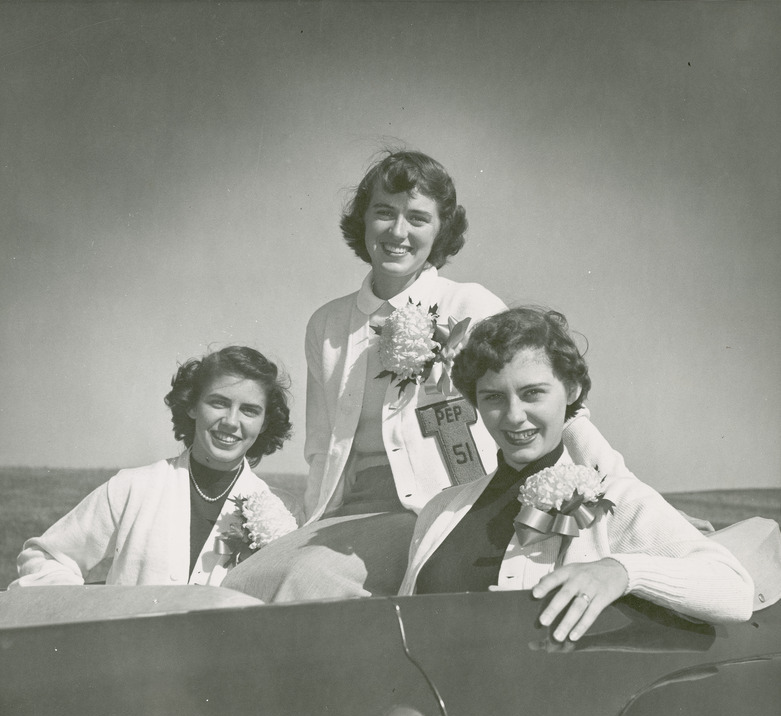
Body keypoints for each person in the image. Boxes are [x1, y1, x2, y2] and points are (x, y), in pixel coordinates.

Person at [224, 151, 630, 602]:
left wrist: (620, 495)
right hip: (340, 516)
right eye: (384, 213)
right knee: (243, 583)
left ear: (440, 231)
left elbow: (558, 411)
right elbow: (321, 448)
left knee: (305, 579)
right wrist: (309, 525)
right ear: (363, 221)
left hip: (436, 512)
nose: (398, 232)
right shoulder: (327, 325)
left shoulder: (471, 306)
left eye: (417, 218)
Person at [399, 307, 754, 639]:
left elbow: (734, 590)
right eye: (493, 397)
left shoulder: (614, 499)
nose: (513, 415)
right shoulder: (440, 512)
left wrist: (621, 572)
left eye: (532, 393)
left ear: (571, 391)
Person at [11, 346, 299, 588]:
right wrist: (87, 616)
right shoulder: (133, 487)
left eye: (249, 410)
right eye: (218, 403)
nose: (231, 422)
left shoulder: (282, 514)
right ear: (191, 406)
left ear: (264, 423)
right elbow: (45, 558)